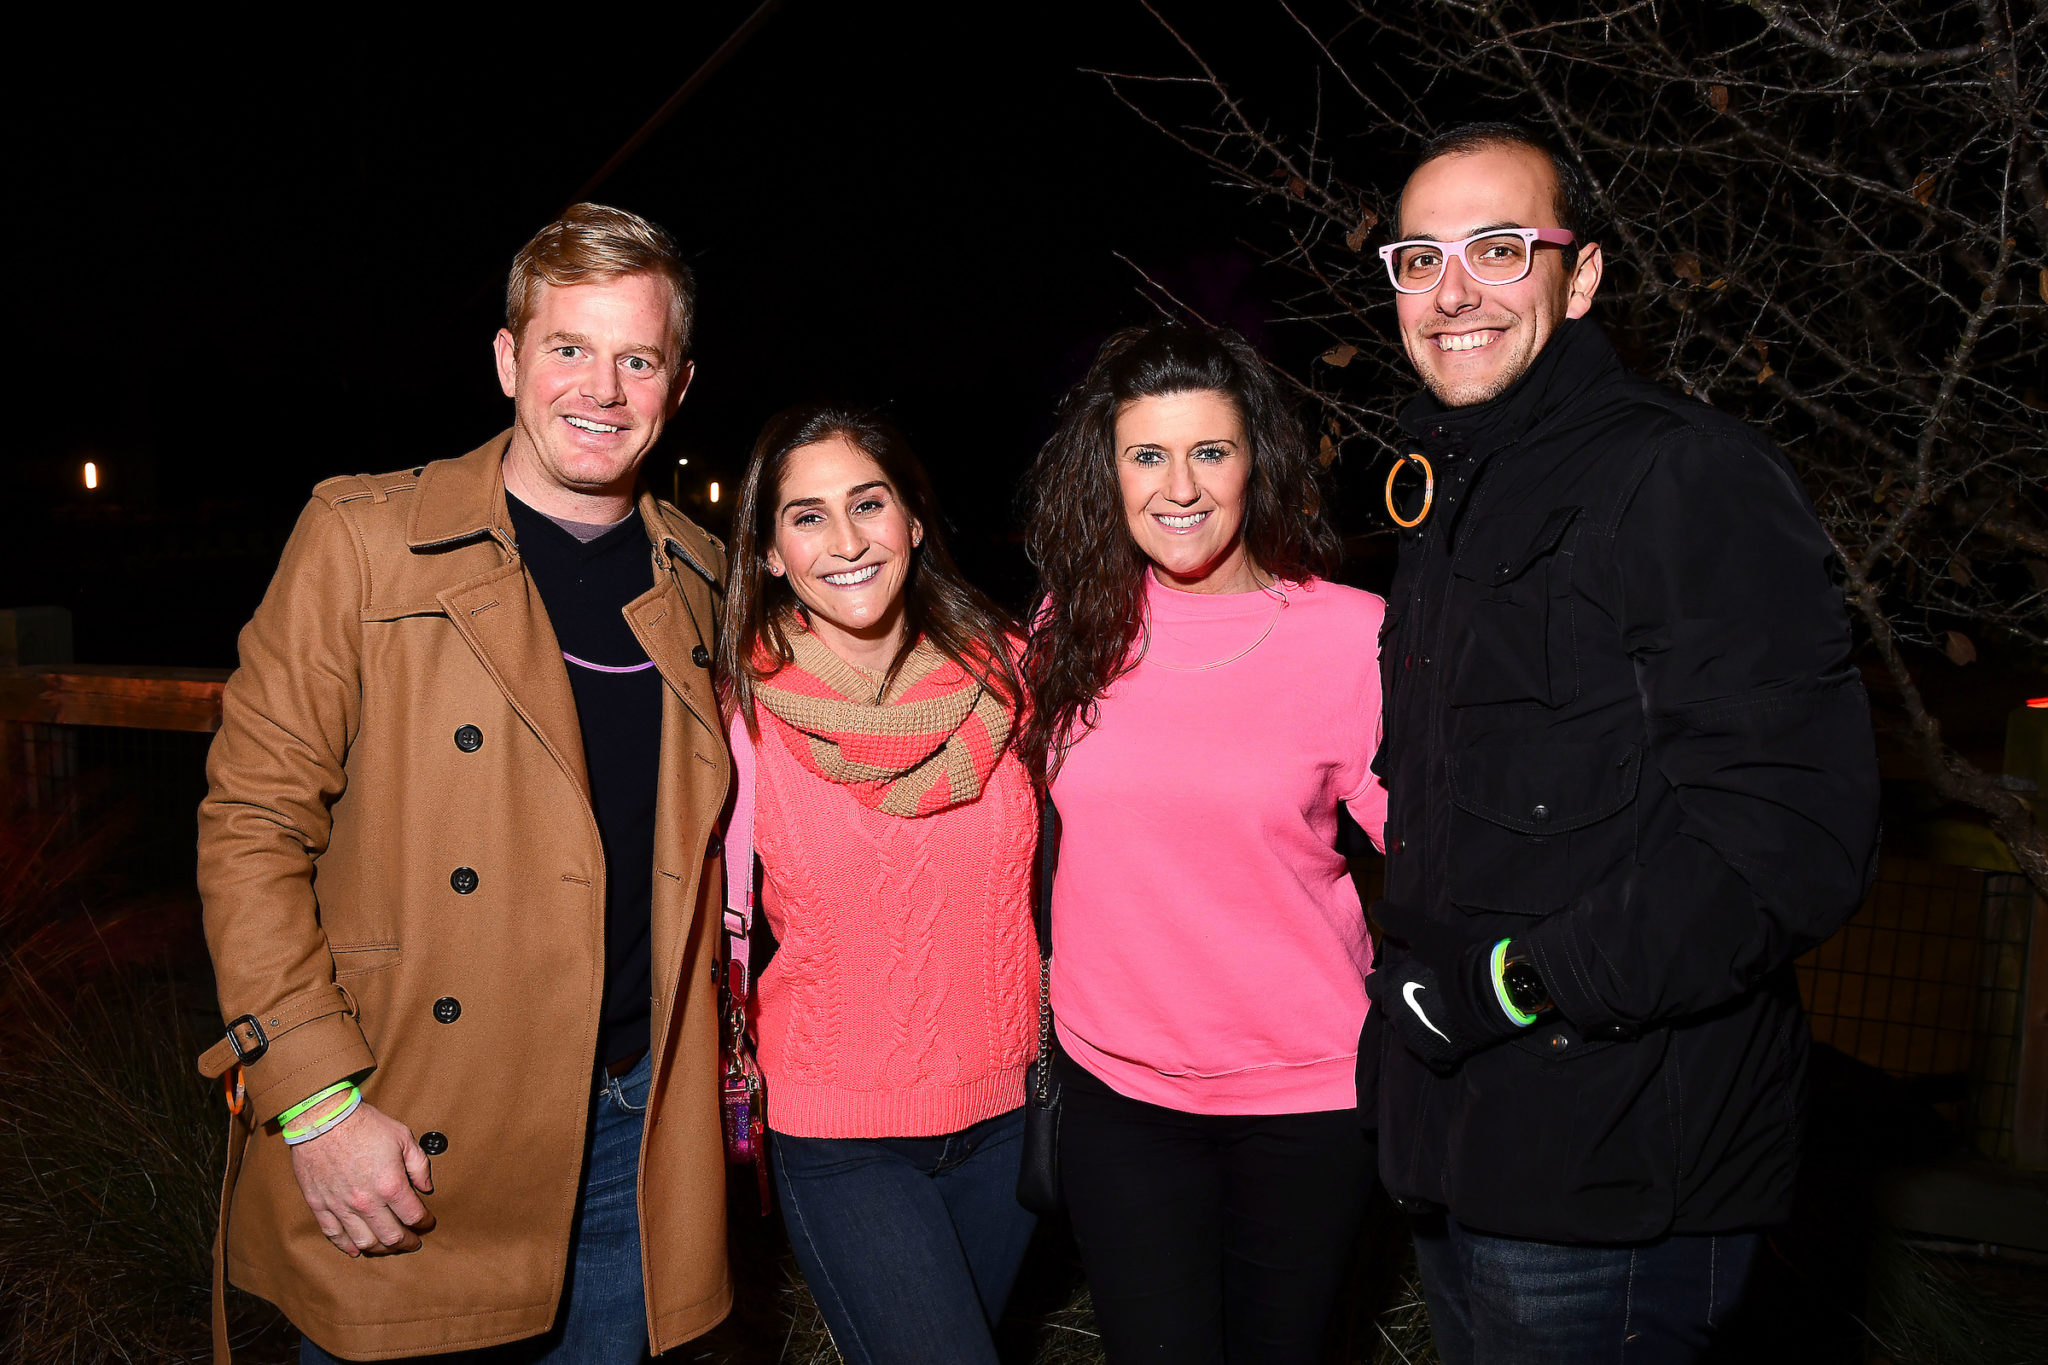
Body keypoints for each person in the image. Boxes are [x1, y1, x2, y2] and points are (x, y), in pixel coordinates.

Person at [1362, 122, 1882, 1364]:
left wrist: (1509, 990)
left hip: (1618, 1183)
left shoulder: (1681, 475)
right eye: (1417, 258)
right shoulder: (1451, 495)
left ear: (1579, 276)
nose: (1452, 291)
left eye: (1497, 248)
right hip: (1466, 1158)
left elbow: (1787, 843)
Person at [195, 204, 732, 1362]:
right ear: (507, 359)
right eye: (567, 349)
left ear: (676, 384)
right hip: (410, 1121)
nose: (600, 387)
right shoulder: (360, 537)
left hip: (631, 1136)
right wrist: (314, 1098)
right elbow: (250, 825)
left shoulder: (703, 579)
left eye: (636, 357)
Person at [1019, 323, 1389, 1364]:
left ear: (1254, 464)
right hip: (1119, 1099)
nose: (1177, 488)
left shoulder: (1351, 636)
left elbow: (1442, 852)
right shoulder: (1069, 628)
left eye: (1208, 453)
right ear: (1107, 472)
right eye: (1146, 455)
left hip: (1307, 1099)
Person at [715, 404, 1040, 1365]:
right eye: (807, 516)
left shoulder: (1016, 676)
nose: (847, 541)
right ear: (770, 551)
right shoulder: (734, 712)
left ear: (913, 521)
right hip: (838, 1132)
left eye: (869, 503)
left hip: (1016, 1112)